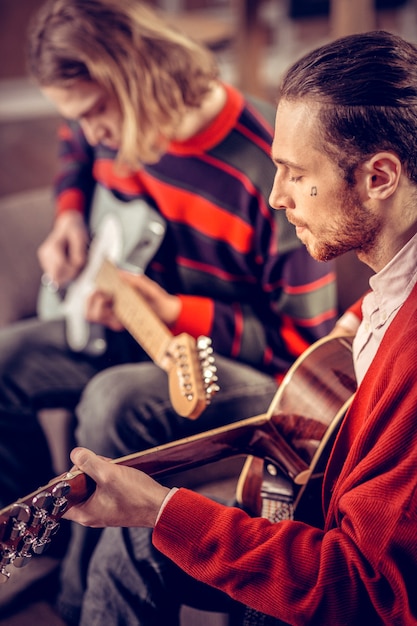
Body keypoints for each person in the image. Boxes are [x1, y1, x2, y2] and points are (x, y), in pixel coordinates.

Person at [61, 29, 417, 625]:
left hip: (332, 591)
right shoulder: (386, 296)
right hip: (319, 522)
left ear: (378, 178)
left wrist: (162, 510)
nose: (276, 196)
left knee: (140, 529)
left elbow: (362, 591)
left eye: (294, 172)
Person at [0, 0, 337, 621]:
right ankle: (28, 545)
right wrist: (71, 210)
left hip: (242, 368)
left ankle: (79, 605)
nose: (93, 133)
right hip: (139, 328)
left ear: (132, 77)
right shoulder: (107, 120)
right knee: (6, 360)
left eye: (96, 112)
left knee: (113, 400)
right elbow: (75, 140)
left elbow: (302, 349)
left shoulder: (271, 167)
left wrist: (182, 311)